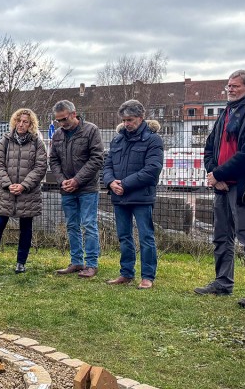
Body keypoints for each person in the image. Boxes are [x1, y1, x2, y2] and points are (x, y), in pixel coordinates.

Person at [195, 69, 245, 307]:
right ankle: (222, 281)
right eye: (229, 85)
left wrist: (218, 174)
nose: (230, 89)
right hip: (221, 187)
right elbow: (210, 147)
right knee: (221, 237)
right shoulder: (225, 114)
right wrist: (213, 174)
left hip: (243, 187)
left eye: (235, 86)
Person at [0, 108, 48, 274]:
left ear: (31, 125)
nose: (21, 124)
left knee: (26, 228)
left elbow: (40, 167)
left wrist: (23, 185)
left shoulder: (37, 142)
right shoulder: (6, 140)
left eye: (25, 122)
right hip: (5, 192)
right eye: (19, 120)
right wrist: (8, 184)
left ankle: (20, 263)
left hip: (27, 193)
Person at [101, 100, 163, 290]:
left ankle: (147, 276)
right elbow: (107, 165)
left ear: (141, 117)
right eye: (124, 120)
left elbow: (152, 169)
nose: (127, 123)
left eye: (131, 119)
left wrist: (124, 185)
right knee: (124, 236)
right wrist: (111, 182)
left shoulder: (153, 139)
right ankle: (126, 273)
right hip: (119, 197)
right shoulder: (117, 139)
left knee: (146, 237)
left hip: (141, 197)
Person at [49, 100, 104, 278]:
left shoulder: (91, 130)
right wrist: (62, 180)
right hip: (67, 189)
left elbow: (97, 159)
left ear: (74, 114)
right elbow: (54, 161)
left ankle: (92, 264)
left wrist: (77, 180)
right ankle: (76, 261)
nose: (62, 123)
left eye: (64, 119)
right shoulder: (57, 135)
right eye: (58, 120)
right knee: (72, 225)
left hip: (87, 187)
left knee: (88, 224)